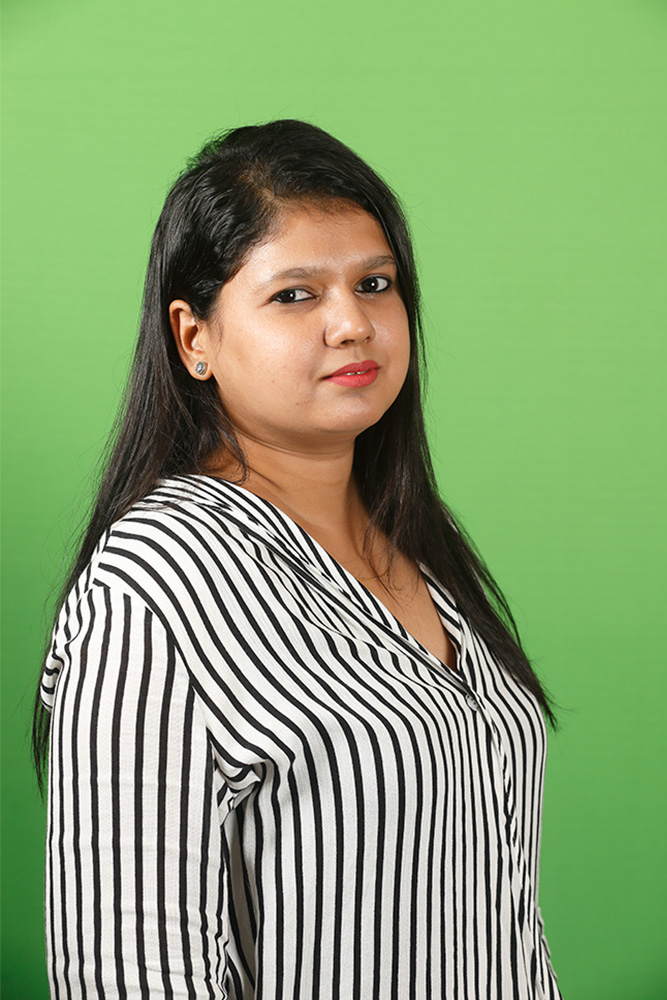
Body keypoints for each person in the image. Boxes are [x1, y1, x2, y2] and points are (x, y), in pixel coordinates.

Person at [32, 119, 562, 999]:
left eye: (375, 283)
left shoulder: (419, 550)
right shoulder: (157, 583)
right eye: (294, 295)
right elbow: (128, 971)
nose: (352, 324)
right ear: (194, 338)